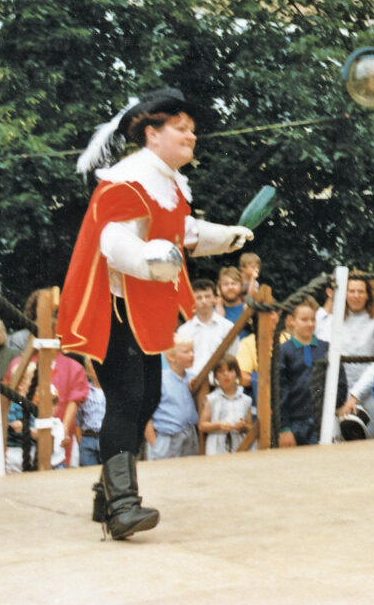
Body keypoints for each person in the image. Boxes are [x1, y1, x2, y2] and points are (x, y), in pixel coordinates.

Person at [56, 88, 253, 539]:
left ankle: (107, 492)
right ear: (152, 133)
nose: (191, 137)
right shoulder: (128, 179)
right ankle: (122, 507)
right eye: (181, 128)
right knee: (127, 398)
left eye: (193, 131)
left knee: (145, 399)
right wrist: (150, 260)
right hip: (112, 307)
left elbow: (180, 231)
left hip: (141, 307)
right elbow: (115, 243)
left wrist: (226, 237)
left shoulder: (167, 183)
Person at [278, 296, 343, 447]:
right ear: (292, 320)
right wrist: (284, 428)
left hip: (323, 423)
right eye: (304, 319)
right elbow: (280, 391)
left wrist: (332, 405)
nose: (310, 324)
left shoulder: (326, 348)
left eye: (313, 319)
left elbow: (340, 383)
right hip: (293, 425)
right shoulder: (283, 351)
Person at [337, 276, 374, 439]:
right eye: (351, 291)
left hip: (373, 394)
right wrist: (343, 396)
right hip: (342, 394)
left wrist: (355, 395)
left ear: (369, 294)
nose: (356, 296)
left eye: (360, 291)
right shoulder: (336, 320)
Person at [145, 334, 200, 460]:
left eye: (192, 350)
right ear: (171, 357)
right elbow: (146, 415)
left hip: (189, 436)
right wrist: (155, 444)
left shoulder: (192, 378)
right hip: (166, 438)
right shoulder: (159, 380)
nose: (192, 355)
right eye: (186, 352)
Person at [175, 278, 237, 381]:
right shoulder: (184, 330)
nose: (203, 301)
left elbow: (233, 356)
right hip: (192, 383)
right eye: (199, 297)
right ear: (193, 300)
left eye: (207, 296)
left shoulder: (228, 327)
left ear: (215, 299)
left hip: (220, 383)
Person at [199, 355, 252, 454]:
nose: (226, 374)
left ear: (236, 373)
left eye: (230, 370)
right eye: (221, 372)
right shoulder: (212, 399)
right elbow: (202, 425)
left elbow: (249, 426)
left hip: (239, 444)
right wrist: (218, 425)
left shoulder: (246, 400)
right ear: (215, 376)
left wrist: (243, 426)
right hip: (216, 446)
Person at [76, 359, 106, 467]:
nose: (97, 370)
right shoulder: (85, 391)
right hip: (88, 438)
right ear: (88, 371)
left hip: (106, 438)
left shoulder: (111, 391)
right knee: (88, 473)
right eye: (94, 367)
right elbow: (78, 420)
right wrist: (81, 441)